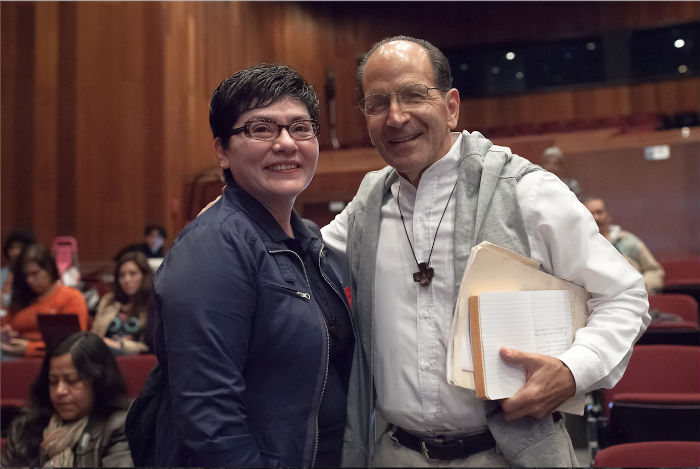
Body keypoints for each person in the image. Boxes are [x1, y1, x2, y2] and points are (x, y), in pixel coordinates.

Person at [320, 36, 649, 467]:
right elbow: (297, 257)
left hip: (507, 455)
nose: (396, 117)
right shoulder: (366, 209)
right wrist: (242, 209)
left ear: (452, 106)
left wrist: (572, 370)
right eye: (377, 103)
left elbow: (625, 297)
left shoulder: (528, 192)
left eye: (414, 95)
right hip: (395, 453)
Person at [151, 63, 353, 467]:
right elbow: (210, 420)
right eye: (261, 129)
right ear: (223, 150)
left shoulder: (309, 237)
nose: (286, 143)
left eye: (300, 127)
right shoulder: (211, 248)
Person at [1, 331, 133, 467]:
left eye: (72, 381)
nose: (60, 391)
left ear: (98, 381)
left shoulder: (119, 427)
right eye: (53, 381)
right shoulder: (27, 425)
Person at [1, 244, 88, 358]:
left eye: (35, 273)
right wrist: (5, 334)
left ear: (49, 269)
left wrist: (30, 348)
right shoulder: (22, 297)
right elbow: (6, 326)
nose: (30, 280)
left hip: (55, 358)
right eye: (26, 275)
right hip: (12, 353)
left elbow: (74, 341)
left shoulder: (70, 297)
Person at [583, 195, 665, 294]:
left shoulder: (628, 241)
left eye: (599, 212)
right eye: (590, 214)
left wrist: (643, 287)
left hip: (635, 297)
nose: (596, 217)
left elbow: (654, 270)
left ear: (608, 215)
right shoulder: (583, 245)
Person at [92, 251, 153, 354]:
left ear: (144, 275)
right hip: (103, 354)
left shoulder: (152, 303)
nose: (127, 279)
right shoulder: (108, 300)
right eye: (122, 275)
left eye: (132, 274)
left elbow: (149, 346)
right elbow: (95, 333)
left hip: (134, 356)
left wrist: (119, 345)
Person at [1, 229, 36, 309]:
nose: (15, 252)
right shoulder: (2, 273)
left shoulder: (32, 273)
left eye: (20, 248)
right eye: (12, 248)